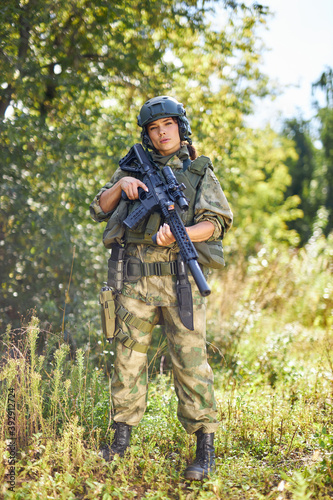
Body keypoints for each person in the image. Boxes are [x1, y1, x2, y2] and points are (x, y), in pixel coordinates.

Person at [90, 96, 233, 481]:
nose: (161, 132)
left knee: (190, 364)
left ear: (180, 128)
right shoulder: (131, 167)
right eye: (154, 128)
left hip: (180, 281)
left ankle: (205, 446)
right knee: (128, 361)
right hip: (134, 280)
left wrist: (179, 234)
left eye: (168, 125)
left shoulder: (199, 171)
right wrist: (123, 184)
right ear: (147, 134)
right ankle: (120, 442)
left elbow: (216, 222)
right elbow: (100, 207)